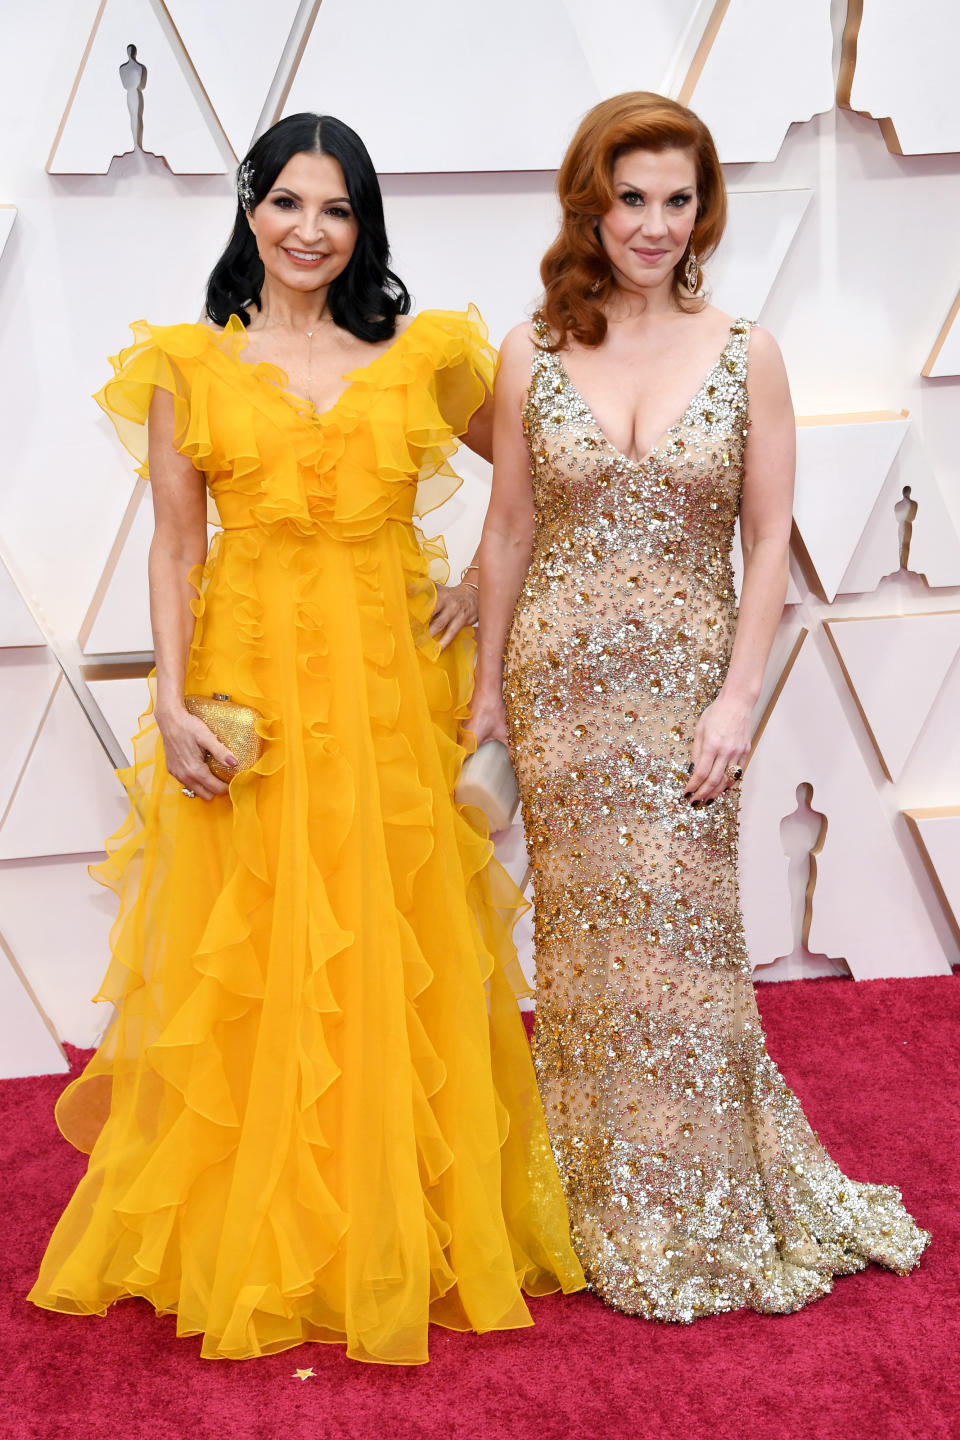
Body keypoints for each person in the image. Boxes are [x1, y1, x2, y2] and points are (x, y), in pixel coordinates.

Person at [28, 113, 584, 1363]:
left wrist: (480, 588)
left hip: (393, 693)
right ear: (249, 209)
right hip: (252, 698)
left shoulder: (423, 358)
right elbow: (178, 546)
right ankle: (262, 1233)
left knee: (393, 944)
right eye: (286, 203)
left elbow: (535, 481)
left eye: (334, 210)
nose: (308, 232)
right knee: (257, 955)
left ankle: (399, 1225)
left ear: (362, 225)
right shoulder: (190, 365)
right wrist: (171, 702)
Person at [469, 92, 929, 1321]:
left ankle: (711, 1195)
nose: (656, 225)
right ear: (592, 202)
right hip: (561, 693)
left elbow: (769, 541)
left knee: (683, 951)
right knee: (582, 954)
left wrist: (741, 700)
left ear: (703, 208)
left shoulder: (746, 351)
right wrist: (487, 701)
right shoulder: (531, 351)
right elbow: (508, 530)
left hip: (685, 698)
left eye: (678, 200)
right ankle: (594, 1190)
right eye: (633, 199)